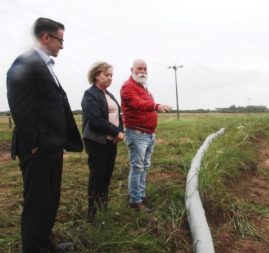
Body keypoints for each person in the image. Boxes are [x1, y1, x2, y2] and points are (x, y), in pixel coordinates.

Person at [6, 17, 83, 253]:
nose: (62, 45)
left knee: (49, 201)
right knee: (37, 203)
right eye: (60, 40)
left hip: (51, 147)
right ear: (46, 37)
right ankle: (34, 248)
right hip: (37, 149)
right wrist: (33, 144)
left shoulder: (45, 66)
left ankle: (46, 245)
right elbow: (20, 106)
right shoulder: (26, 63)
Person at [120, 59, 172, 210]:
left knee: (144, 166)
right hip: (137, 133)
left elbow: (144, 104)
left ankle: (140, 195)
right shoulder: (127, 87)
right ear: (132, 70)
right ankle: (135, 201)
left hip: (148, 134)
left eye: (145, 69)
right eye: (139, 69)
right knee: (137, 167)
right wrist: (156, 106)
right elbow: (138, 104)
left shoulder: (143, 88)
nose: (142, 71)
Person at [81, 61, 124, 222]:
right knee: (97, 177)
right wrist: (116, 132)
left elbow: (118, 117)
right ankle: (92, 215)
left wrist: (120, 131)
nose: (109, 78)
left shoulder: (109, 94)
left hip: (110, 142)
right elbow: (96, 120)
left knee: (106, 176)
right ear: (96, 75)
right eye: (106, 74)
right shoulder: (90, 94)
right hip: (96, 142)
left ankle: (103, 209)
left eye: (111, 75)